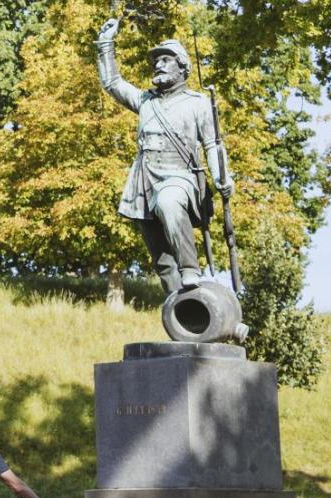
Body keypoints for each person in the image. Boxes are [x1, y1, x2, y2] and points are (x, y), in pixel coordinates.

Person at [94, 18, 234, 294]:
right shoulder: (145, 101)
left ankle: (190, 268)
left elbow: (213, 145)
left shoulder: (198, 104)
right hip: (143, 184)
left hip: (180, 178)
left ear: (182, 66)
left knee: (168, 202)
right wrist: (106, 44)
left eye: (166, 60)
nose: (158, 64)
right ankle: (180, 305)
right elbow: (112, 83)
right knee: (162, 261)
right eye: (156, 60)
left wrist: (222, 177)